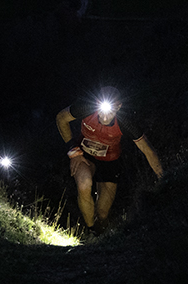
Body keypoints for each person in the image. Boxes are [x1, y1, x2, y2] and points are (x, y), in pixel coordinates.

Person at [55, 88, 163, 235]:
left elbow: (148, 150)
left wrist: (163, 178)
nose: (105, 116)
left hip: (110, 162)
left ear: (118, 107)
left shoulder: (125, 122)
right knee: (84, 184)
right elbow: (61, 118)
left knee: (102, 213)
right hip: (84, 156)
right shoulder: (86, 107)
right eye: (102, 109)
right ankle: (91, 231)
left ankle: (102, 235)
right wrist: (74, 152)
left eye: (111, 111)